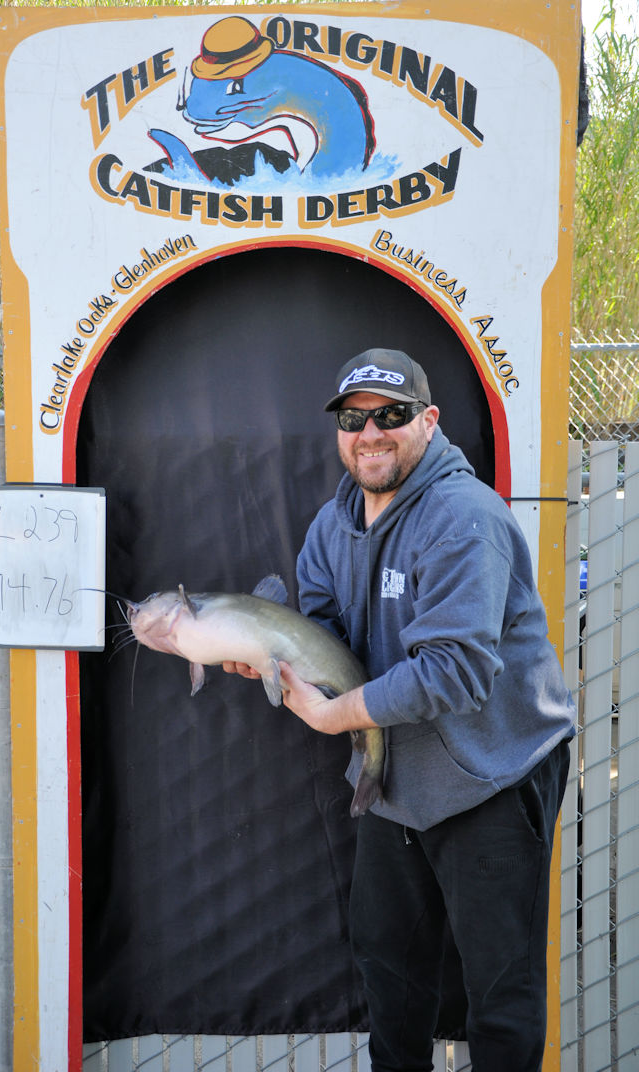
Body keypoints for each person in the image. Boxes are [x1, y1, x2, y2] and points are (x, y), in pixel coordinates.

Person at [224, 347, 576, 1072]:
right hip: (394, 781)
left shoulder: (463, 517)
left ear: (429, 420)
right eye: (354, 419)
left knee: (499, 994)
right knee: (389, 971)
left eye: (392, 414)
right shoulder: (332, 526)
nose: (371, 433)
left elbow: (456, 672)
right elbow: (327, 642)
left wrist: (338, 716)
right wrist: (269, 657)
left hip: (493, 772)